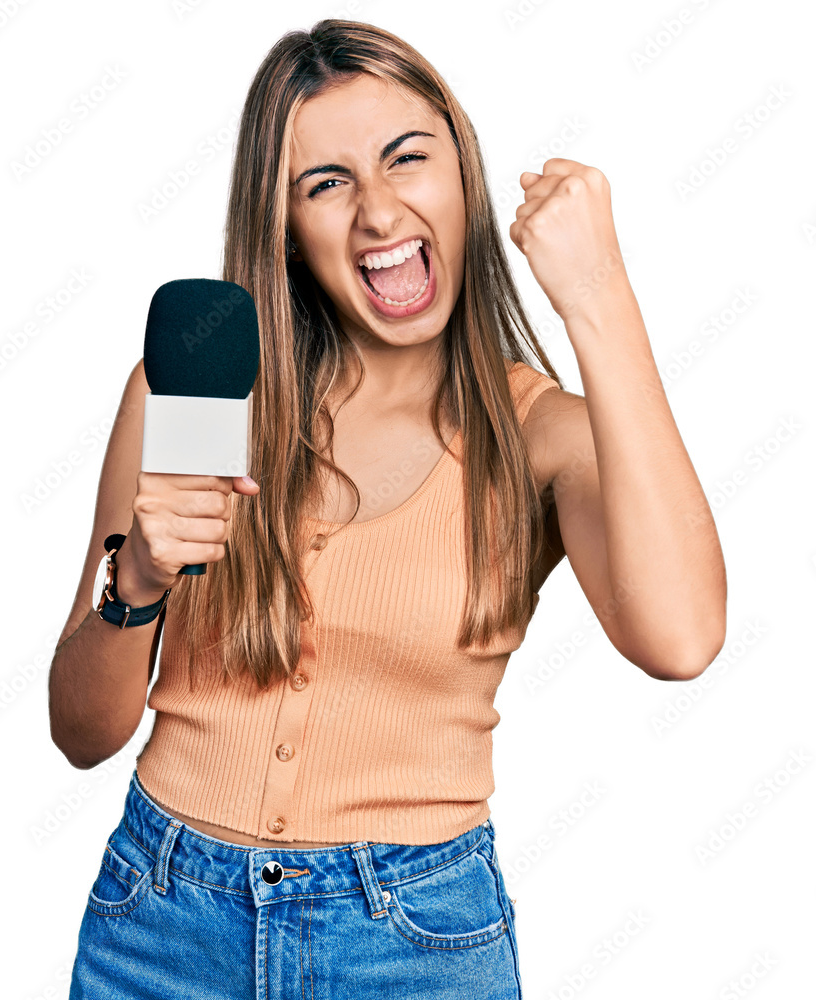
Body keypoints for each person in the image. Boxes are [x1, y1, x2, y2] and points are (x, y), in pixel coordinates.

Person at [50, 19, 726, 999]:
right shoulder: (196, 391)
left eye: (406, 158)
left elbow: (683, 638)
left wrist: (597, 297)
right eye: (325, 183)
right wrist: (137, 585)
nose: (376, 210)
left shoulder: (535, 434)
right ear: (283, 225)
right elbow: (81, 732)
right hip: (158, 922)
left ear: (463, 174)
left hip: (412, 941)